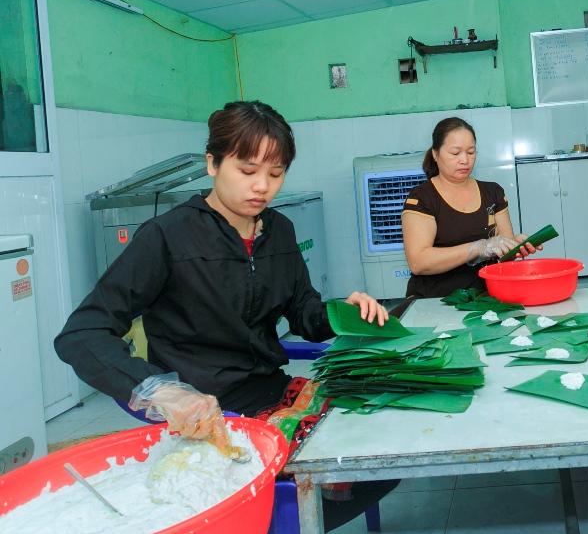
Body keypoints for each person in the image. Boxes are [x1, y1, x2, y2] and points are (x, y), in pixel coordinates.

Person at [53, 100, 398, 529]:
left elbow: (304, 314)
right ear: (212, 164)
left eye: (276, 174)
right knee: (323, 470)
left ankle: (292, 517)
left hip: (273, 390)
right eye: (247, 170)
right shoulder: (167, 236)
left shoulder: (279, 230)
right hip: (205, 412)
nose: (262, 187)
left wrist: (343, 311)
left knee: (384, 443)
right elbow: (82, 333)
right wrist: (158, 390)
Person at [402, 117, 537, 299]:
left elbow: (504, 255)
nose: (464, 160)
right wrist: (479, 247)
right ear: (435, 154)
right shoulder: (422, 198)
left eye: (471, 152)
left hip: (485, 296)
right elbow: (418, 262)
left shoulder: (493, 193)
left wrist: (514, 244)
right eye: (455, 153)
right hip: (435, 299)